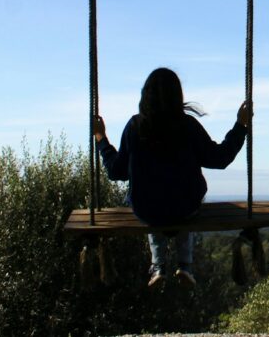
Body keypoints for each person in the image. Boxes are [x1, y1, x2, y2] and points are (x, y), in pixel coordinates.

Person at [93, 67, 251, 289]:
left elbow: (115, 171)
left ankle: (158, 267)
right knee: (183, 202)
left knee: (152, 207)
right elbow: (220, 158)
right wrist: (240, 126)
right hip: (186, 208)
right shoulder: (187, 126)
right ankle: (185, 266)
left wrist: (101, 138)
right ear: (178, 95)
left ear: (145, 95)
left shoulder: (135, 127)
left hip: (147, 210)